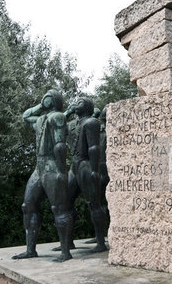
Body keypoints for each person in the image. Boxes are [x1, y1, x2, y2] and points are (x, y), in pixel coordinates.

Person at [12, 89, 73, 262]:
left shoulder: (58, 117)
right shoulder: (40, 120)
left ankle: (65, 252)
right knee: (28, 205)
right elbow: (25, 116)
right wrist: (40, 104)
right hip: (39, 166)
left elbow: (60, 145)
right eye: (45, 96)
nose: (45, 98)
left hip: (52, 165)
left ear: (55, 100)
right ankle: (30, 249)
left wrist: (61, 170)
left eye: (49, 96)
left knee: (59, 208)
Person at [67, 97, 108, 252]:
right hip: (74, 166)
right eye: (75, 102)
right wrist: (68, 112)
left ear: (88, 107)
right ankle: (67, 242)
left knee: (94, 203)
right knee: (65, 202)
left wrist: (94, 169)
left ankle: (100, 242)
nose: (76, 103)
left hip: (86, 164)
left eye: (80, 102)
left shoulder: (91, 122)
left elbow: (94, 148)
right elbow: (56, 127)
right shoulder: (71, 125)